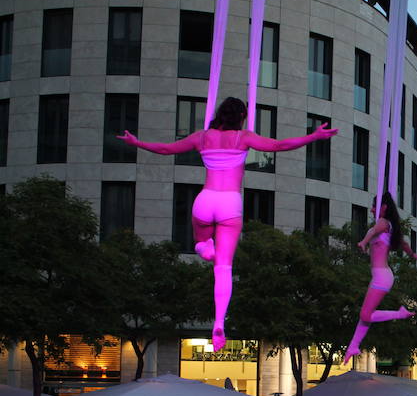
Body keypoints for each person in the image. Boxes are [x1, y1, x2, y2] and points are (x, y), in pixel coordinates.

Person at [119, 98, 337, 350]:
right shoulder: (243, 138)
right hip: (230, 204)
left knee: (201, 241)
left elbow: (166, 149)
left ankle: (204, 248)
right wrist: (313, 136)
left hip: (206, 199)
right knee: (223, 267)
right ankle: (219, 320)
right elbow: (279, 145)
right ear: (242, 115)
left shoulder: (202, 137)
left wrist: (137, 142)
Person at [343, 193, 417, 363]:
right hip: (380, 276)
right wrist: (413, 255)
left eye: (375, 206)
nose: (372, 209)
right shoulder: (389, 226)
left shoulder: (383, 222)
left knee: (366, 315)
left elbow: (373, 232)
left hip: (382, 277)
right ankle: (353, 345)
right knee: (365, 315)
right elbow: (403, 243)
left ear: (384, 208)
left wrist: (364, 242)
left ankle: (400, 314)